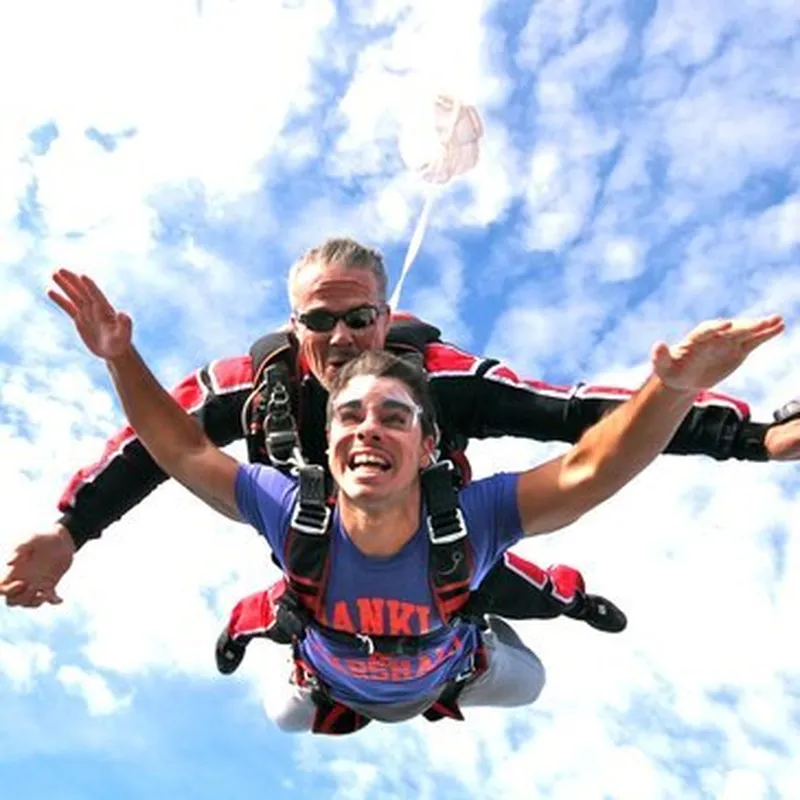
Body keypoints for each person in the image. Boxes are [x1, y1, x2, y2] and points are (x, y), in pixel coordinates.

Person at [40, 268, 784, 734]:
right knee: (286, 693)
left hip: (447, 623)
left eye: (394, 417)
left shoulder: (469, 475)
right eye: (350, 418)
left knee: (521, 640)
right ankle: (302, 659)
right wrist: (75, 519)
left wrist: (702, 407)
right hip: (329, 636)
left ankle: (516, 626)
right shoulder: (269, 453)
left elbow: (585, 438)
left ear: (432, 444)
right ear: (322, 449)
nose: (368, 427)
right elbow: (173, 446)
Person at [2, 238, 799, 633]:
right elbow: (161, 443)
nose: (343, 338)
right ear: (293, 326)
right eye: (320, 321)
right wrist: (74, 528)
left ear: (386, 319)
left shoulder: (444, 380)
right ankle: (281, 635)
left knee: (497, 577)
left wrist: (743, 436)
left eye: (359, 318)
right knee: (295, 607)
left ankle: (570, 598)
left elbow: (583, 422)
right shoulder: (248, 398)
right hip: (317, 555)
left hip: (443, 541)